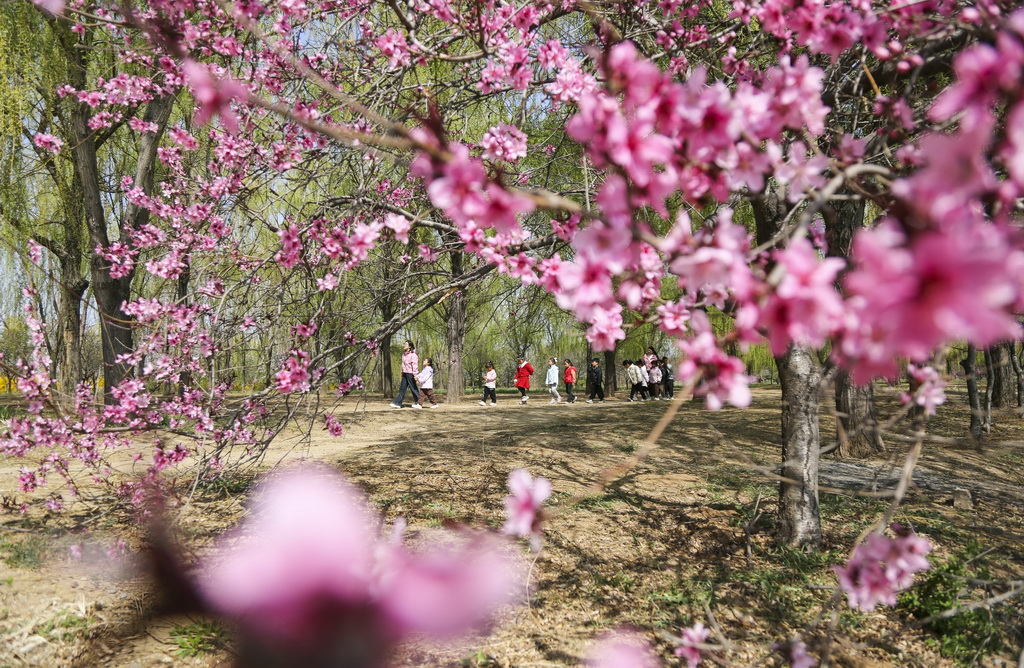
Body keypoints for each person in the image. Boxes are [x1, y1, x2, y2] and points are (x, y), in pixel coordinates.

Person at [389, 340, 420, 408]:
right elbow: (403, 364)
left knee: (413, 389)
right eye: (404, 344)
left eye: (406, 344)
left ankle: (419, 402)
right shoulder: (403, 354)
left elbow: (415, 365)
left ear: (409, 346)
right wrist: (402, 372)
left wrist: (415, 375)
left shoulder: (413, 355)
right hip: (405, 373)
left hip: (411, 374)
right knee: (402, 389)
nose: (404, 345)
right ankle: (398, 403)